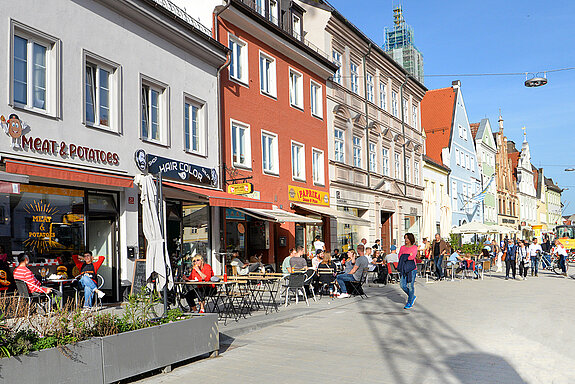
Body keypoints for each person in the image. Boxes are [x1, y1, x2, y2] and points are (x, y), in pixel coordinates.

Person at [398, 233, 418, 309]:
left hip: (411, 269)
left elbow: (412, 257)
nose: (406, 240)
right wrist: (407, 255)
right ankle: (412, 296)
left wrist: (405, 256)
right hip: (403, 268)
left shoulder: (414, 247)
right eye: (405, 238)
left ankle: (409, 302)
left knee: (410, 285)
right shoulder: (402, 247)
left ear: (411, 239)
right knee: (402, 285)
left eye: (407, 238)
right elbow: (400, 256)